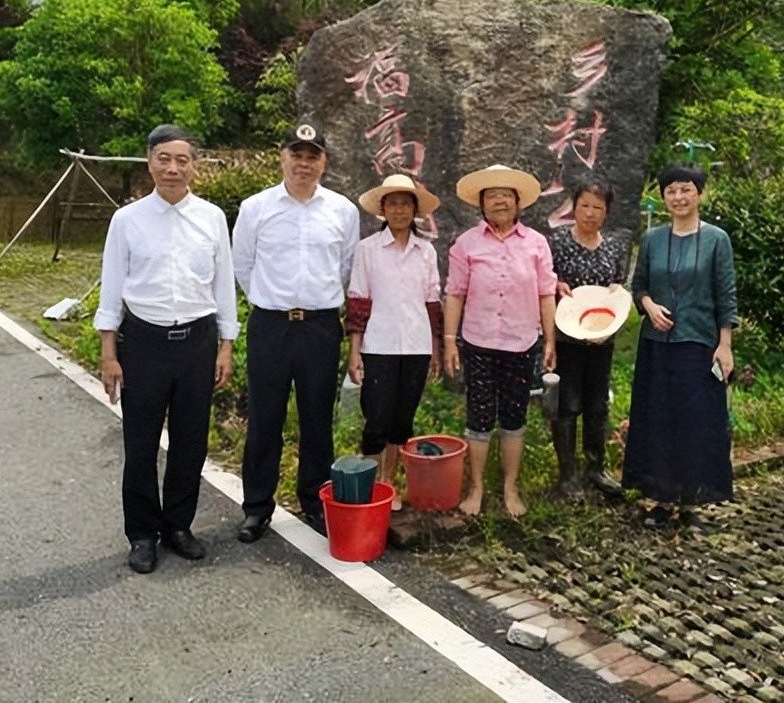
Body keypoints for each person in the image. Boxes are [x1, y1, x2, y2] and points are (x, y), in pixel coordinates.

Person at [94, 124, 239, 574]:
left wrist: (226, 344)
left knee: (191, 441)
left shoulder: (212, 218)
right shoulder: (128, 220)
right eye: (164, 158)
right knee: (140, 443)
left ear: (195, 165)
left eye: (182, 160)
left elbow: (223, 283)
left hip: (197, 342)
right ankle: (141, 534)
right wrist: (108, 352)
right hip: (144, 343)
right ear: (150, 162)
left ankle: (178, 525)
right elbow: (112, 287)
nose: (173, 168)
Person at [232, 122, 359, 541]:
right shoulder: (256, 208)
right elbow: (243, 265)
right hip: (271, 325)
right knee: (265, 418)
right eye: (296, 155)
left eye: (313, 156)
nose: (304, 164)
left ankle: (314, 500)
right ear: (282, 157)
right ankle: (256, 507)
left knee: (317, 420)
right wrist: (272, 300)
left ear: (324, 161)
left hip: (320, 327)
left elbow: (345, 268)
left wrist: (315, 303)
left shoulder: (342, 210)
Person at [622, 164, 737, 528]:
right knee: (657, 421)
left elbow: (726, 295)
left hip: (699, 345)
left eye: (686, 190)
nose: (679, 197)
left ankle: (691, 504)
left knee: (695, 424)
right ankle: (659, 499)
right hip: (657, 346)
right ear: (663, 196)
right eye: (671, 191)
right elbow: (638, 287)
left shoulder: (717, 239)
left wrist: (725, 345)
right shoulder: (653, 239)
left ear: (699, 194)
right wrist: (649, 306)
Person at [443, 165, 557, 518]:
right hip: (478, 342)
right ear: (481, 204)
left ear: (518, 202)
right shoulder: (467, 244)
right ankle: (476, 487)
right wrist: (449, 339)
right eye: (491, 196)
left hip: (522, 342)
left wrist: (550, 340)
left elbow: (546, 293)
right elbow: (455, 293)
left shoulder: (537, 243)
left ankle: (510, 486)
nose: (499, 201)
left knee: (514, 416)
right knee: (478, 415)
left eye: (506, 195)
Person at [345, 174, 443, 512]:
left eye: (406, 203)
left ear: (415, 210)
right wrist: (354, 352)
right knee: (376, 418)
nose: (399, 210)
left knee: (403, 419)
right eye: (393, 203)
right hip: (378, 345)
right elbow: (358, 301)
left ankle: (388, 482)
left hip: (416, 347)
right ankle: (367, 484)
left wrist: (436, 350)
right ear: (383, 209)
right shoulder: (368, 250)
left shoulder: (426, 252)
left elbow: (432, 303)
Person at [548, 181, 629, 499]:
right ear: (574, 206)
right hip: (566, 339)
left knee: (598, 405)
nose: (590, 213)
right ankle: (566, 476)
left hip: (601, 339)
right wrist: (556, 285)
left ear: (607, 211)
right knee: (565, 406)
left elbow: (618, 290)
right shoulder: (556, 243)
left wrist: (611, 320)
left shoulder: (613, 247)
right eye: (584, 205)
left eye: (598, 207)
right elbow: (544, 284)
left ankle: (595, 469)